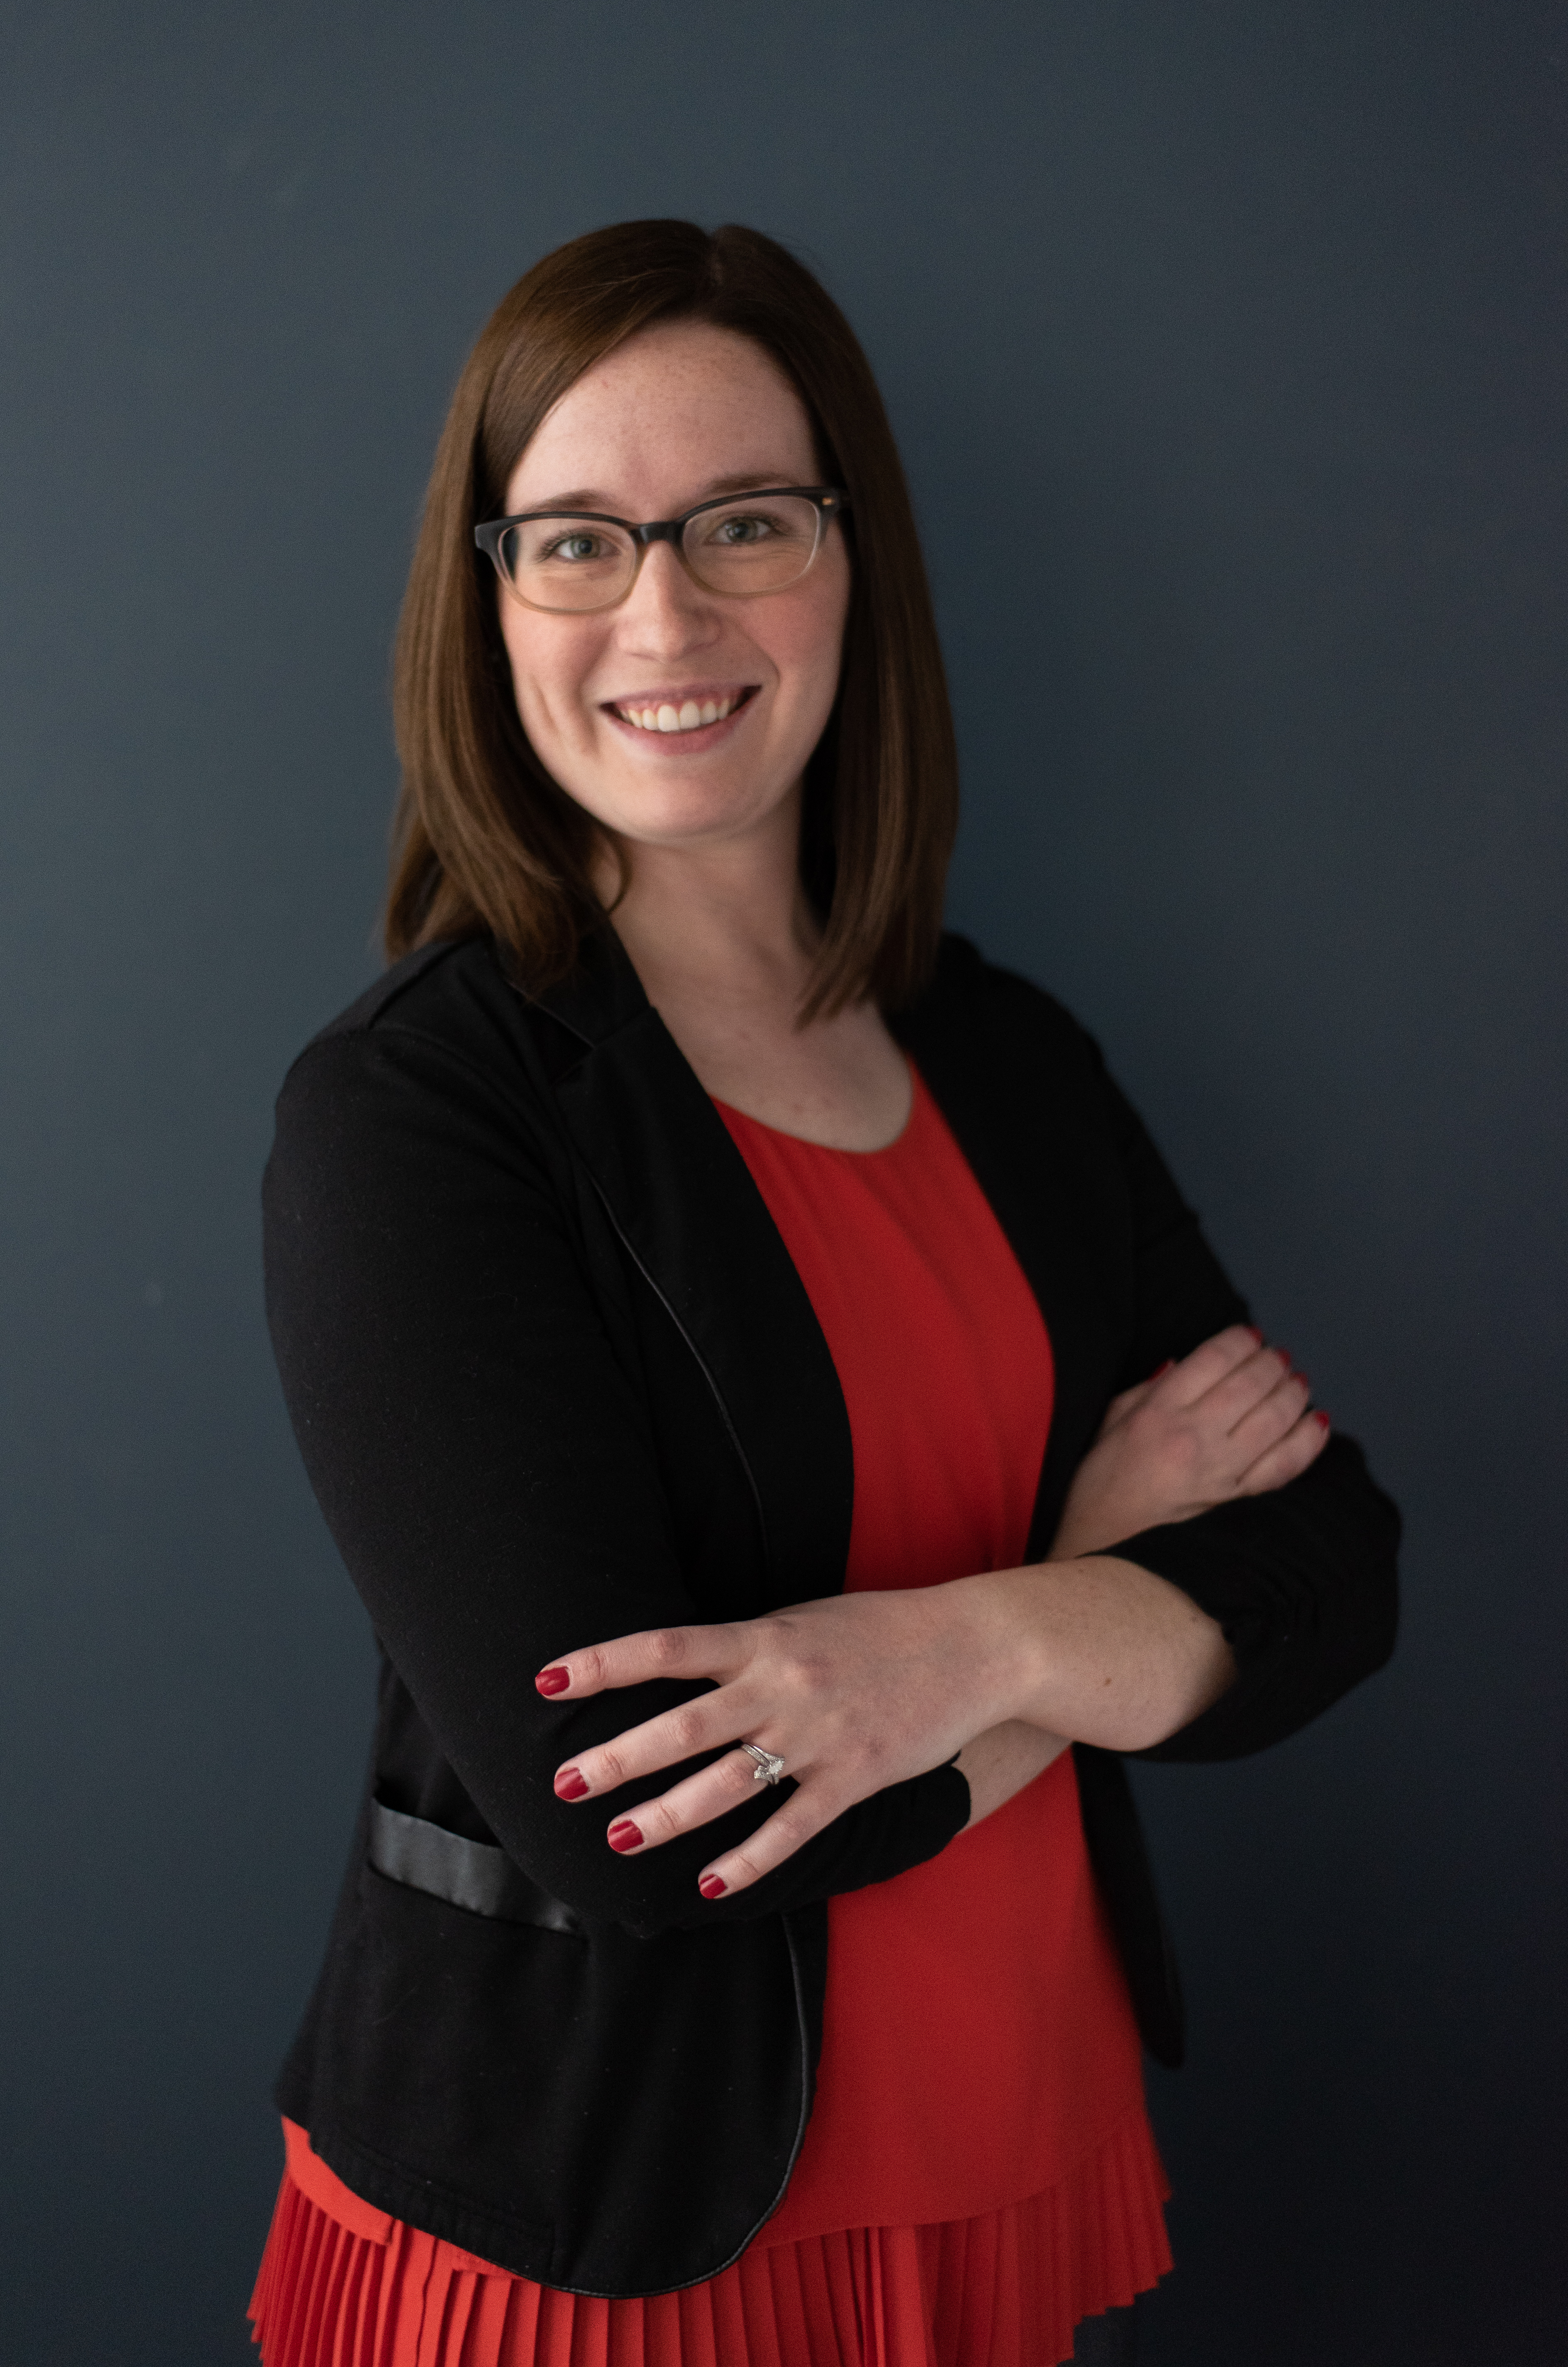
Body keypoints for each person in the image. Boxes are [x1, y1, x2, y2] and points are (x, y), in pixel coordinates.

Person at [246, 220, 1400, 2367]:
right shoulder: (418, 1117)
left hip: (1020, 2148)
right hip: (612, 2235)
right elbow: (634, 1834)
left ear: (851, 563)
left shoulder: (1012, 1059)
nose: (664, 614)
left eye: (744, 523)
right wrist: (1099, 1603)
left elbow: (1335, 1562)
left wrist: (972, 1644)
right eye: (576, 541)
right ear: (488, 605)